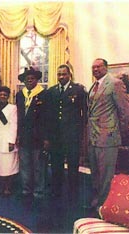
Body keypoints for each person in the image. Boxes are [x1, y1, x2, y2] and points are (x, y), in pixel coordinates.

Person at [87, 58, 129, 210]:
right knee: (95, 173)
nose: (95, 69)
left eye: (99, 66)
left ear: (106, 68)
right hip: (93, 137)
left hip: (108, 137)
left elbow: (125, 111)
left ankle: (104, 206)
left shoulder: (115, 83)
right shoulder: (94, 85)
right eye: (93, 67)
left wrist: (119, 132)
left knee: (106, 175)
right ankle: (97, 201)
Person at [47, 64, 88, 199]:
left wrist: (81, 134)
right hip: (56, 136)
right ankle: (56, 192)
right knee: (56, 165)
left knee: (72, 166)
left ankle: (73, 193)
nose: (61, 77)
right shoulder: (52, 91)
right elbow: (49, 115)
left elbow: (84, 114)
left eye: (64, 74)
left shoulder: (78, 90)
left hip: (72, 136)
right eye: (59, 74)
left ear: (69, 74)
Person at [16, 67, 50, 199]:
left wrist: (47, 138)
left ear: (37, 80)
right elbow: (18, 117)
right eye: (27, 79)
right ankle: (26, 189)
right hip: (24, 136)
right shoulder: (20, 95)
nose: (29, 80)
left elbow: (48, 118)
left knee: (38, 166)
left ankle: (38, 191)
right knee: (25, 165)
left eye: (32, 78)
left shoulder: (44, 94)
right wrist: (17, 135)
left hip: (39, 137)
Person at [0, 86, 19, 196]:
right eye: (0, 94)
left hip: (8, 138)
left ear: (8, 96)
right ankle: (1, 186)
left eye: (5, 94)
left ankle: (8, 187)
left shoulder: (12, 108)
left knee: (9, 164)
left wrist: (12, 141)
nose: (2, 96)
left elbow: (14, 125)